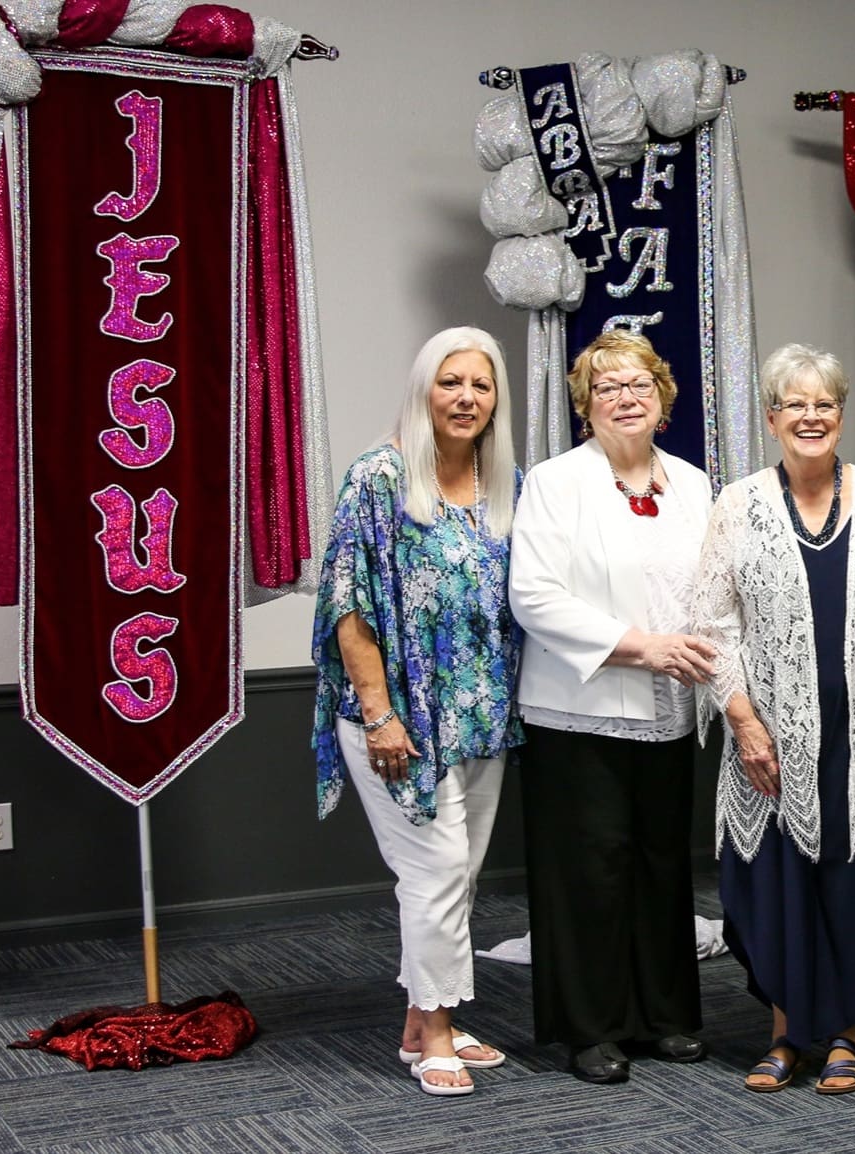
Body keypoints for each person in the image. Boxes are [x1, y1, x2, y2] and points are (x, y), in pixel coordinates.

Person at [694, 343, 855, 1095]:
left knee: (854, 883)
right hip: (770, 735)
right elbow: (711, 623)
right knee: (776, 883)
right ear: (772, 416)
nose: (812, 416)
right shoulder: (737, 505)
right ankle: (787, 1035)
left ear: (842, 415)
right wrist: (744, 721)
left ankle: (848, 1037)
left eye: (826, 403)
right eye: (796, 403)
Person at [311, 326, 523, 1097]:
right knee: (432, 872)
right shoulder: (379, 477)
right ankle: (434, 1032)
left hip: (481, 715)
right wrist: (378, 714)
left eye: (481, 384)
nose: (466, 398)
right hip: (398, 718)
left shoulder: (505, 483)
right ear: (423, 388)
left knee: (455, 878)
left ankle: (420, 1014)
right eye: (451, 382)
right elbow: (347, 605)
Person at [507, 330, 717, 1084]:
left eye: (639, 384)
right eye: (607, 388)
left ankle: (665, 1015)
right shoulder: (557, 483)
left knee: (662, 864)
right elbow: (533, 596)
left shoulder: (693, 483)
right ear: (584, 406)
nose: (625, 398)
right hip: (578, 708)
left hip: (671, 708)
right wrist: (639, 645)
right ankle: (591, 1026)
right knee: (589, 869)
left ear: (663, 398)